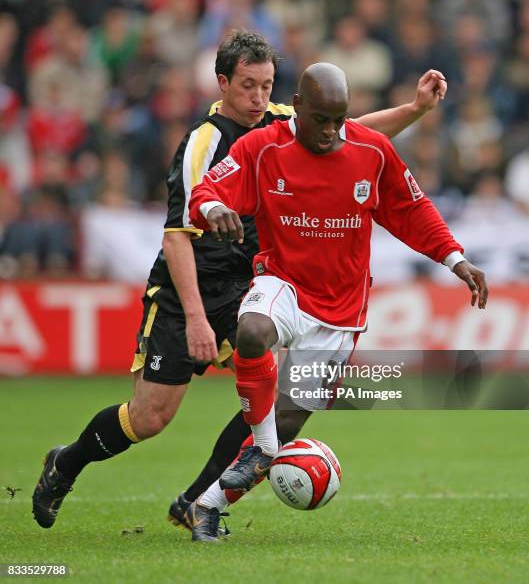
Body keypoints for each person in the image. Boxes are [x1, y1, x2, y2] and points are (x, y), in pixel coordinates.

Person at [32, 30, 449, 531]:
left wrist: (415, 109)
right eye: (248, 86)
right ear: (223, 82)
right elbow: (177, 238)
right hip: (189, 288)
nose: (258, 98)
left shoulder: (280, 121)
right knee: (150, 418)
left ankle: (196, 500)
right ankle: (67, 462)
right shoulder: (203, 142)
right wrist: (193, 321)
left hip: (248, 285)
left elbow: (348, 134)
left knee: (268, 403)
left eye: (267, 85)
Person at [186, 61, 488, 541]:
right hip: (282, 282)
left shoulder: (372, 151)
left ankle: (207, 506)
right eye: (320, 119)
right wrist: (214, 206)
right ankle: (262, 447)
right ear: (298, 108)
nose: (330, 131)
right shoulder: (262, 147)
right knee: (252, 332)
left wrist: (456, 260)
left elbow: (411, 210)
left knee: (288, 419)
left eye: (339, 120)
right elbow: (207, 189)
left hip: (341, 312)